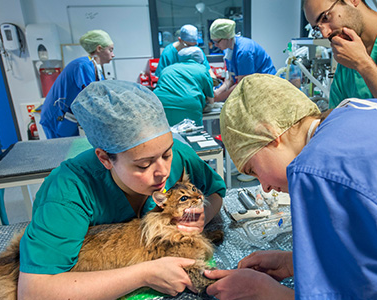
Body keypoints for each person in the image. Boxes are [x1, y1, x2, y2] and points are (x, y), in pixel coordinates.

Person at [205, 74, 377, 299]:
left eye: (253, 170)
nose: (263, 187)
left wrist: (269, 293)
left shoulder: (318, 169)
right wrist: (294, 262)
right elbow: (375, 237)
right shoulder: (352, 114)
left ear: (269, 132)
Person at [15, 81, 226, 299]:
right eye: (144, 165)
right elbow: (34, 292)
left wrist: (202, 218)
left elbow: (216, 191)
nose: (163, 171)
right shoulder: (68, 192)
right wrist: (144, 275)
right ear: (105, 159)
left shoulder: (179, 156)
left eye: (166, 154)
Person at [39, 29, 114, 139]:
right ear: (99, 49)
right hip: (57, 117)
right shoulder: (83, 65)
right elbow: (92, 97)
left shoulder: (95, 68)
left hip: (69, 117)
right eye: (110, 50)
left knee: (70, 146)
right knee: (62, 150)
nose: (113, 54)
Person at [209, 19, 275, 102]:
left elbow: (243, 84)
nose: (215, 45)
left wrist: (218, 98)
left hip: (266, 86)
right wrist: (216, 93)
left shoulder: (244, 52)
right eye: (213, 41)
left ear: (228, 37)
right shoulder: (228, 50)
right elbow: (230, 80)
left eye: (217, 41)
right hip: (251, 87)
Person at [154, 47, 215, 126]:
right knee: (192, 135)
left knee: (166, 134)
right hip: (188, 105)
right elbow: (210, 98)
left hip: (161, 105)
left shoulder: (167, 69)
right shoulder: (202, 70)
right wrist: (210, 104)